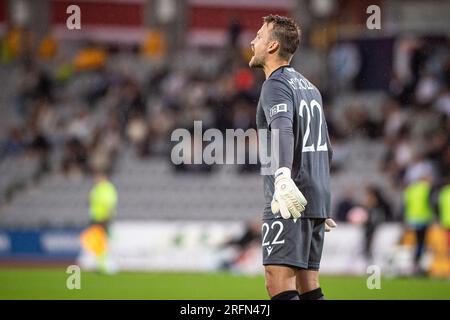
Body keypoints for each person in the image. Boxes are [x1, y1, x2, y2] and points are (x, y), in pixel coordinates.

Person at [249, 15, 335, 300]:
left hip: (288, 198)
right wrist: (320, 197)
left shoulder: (275, 84)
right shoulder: (310, 88)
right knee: (308, 283)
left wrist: (283, 177)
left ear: (273, 46)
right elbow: (324, 145)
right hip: (313, 195)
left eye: (259, 36)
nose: (253, 41)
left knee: (278, 281)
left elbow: (283, 128)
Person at [84, 171, 118, 273]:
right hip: (95, 218)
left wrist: (107, 217)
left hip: (103, 219)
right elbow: (90, 202)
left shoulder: (107, 188)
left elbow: (110, 204)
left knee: (103, 242)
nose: (96, 179)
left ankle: (106, 265)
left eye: (98, 177)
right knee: (97, 243)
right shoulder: (96, 189)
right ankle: (100, 264)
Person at [403, 175, 434, 275]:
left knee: (413, 243)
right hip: (423, 219)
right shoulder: (426, 189)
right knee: (422, 243)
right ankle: (419, 266)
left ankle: (412, 265)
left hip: (411, 219)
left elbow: (405, 204)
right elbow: (431, 203)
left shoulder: (410, 190)